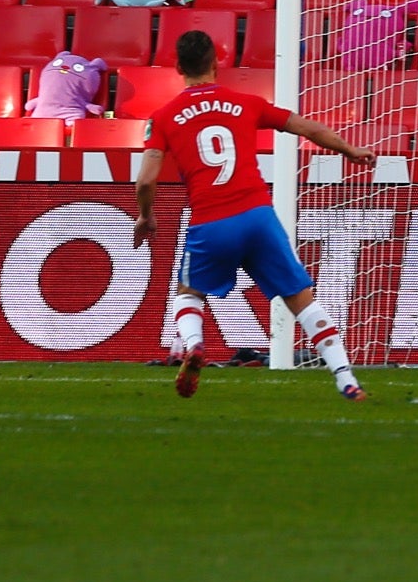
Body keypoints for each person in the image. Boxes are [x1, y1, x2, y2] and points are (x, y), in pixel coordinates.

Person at [134, 31, 378, 399]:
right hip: (257, 215)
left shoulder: (164, 117)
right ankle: (346, 379)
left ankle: (194, 345)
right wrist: (349, 150)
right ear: (216, 63)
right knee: (301, 299)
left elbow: (145, 181)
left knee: (188, 293)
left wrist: (145, 216)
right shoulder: (247, 103)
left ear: (178, 68)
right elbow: (307, 127)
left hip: (210, 221)